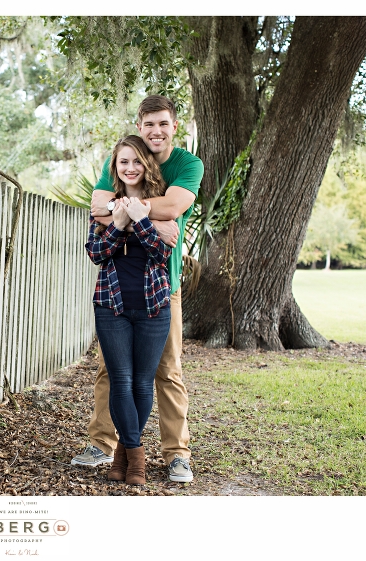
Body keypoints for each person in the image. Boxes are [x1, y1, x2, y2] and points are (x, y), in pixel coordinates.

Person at [72, 94, 203, 483]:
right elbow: (97, 206)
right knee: (110, 371)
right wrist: (140, 211)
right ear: (140, 126)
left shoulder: (186, 164)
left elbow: (173, 209)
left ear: (174, 126)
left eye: (163, 123)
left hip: (163, 286)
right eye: (149, 124)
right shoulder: (126, 158)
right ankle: (103, 444)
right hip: (116, 291)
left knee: (166, 369)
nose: (156, 131)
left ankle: (177, 453)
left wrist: (125, 208)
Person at [85, 135, 172, 485]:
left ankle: (123, 454)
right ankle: (136, 457)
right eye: (124, 162)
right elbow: (95, 254)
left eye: (137, 161)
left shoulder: (161, 209)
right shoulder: (107, 209)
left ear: (146, 165)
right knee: (120, 380)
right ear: (116, 168)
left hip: (154, 306)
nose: (131, 167)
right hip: (112, 305)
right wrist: (119, 224)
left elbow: (163, 253)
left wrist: (142, 219)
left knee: (141, 382)